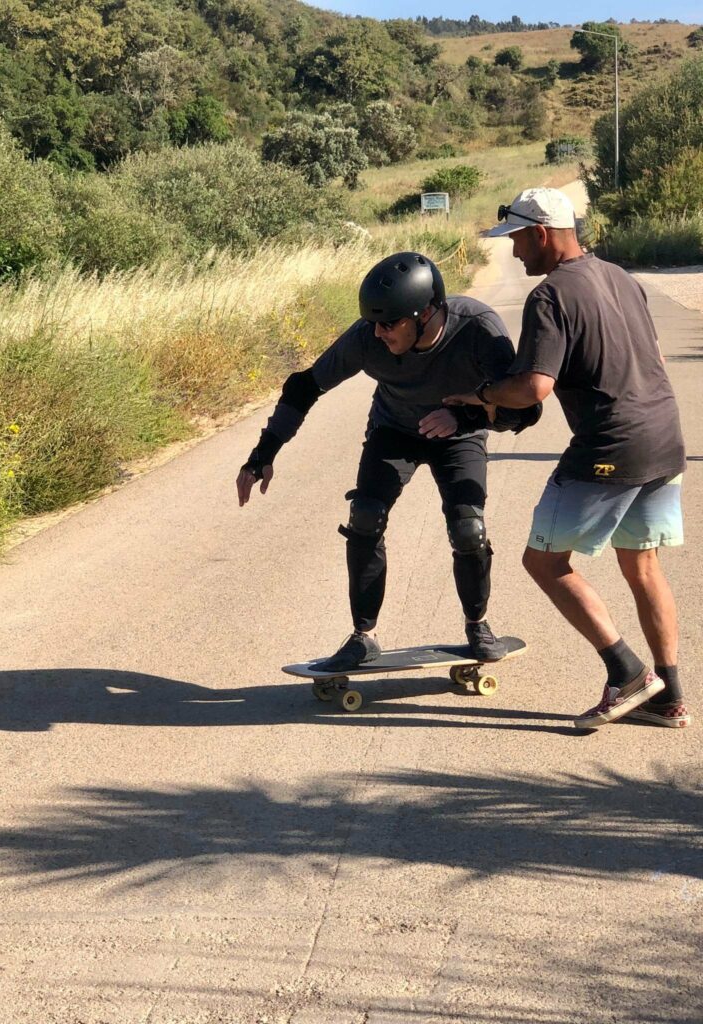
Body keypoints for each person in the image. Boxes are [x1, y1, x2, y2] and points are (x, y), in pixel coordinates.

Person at [444, 188, 691, 729]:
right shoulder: (621, 277)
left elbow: (533, 387)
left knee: (544, 561)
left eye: (516, 240)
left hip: (611, 445)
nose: (513, 253)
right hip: (664, 436)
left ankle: (627, 673)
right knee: (642, 563)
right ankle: (669, 696)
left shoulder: (550, 296)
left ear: (540, 232)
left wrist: (483, 394)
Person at [236, 251, 541, 671]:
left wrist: (463, 415)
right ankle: (363, 637)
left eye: (389, 323)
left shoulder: (478, 330)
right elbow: (305, 386)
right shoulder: (368, 337)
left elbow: (524, 410)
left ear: (427, 313)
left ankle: (478, 625)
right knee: (365, 516)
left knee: (468, 528)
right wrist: (262, 455)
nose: (378, 332)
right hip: (394, 431)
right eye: (373, 322)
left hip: (460, 435)